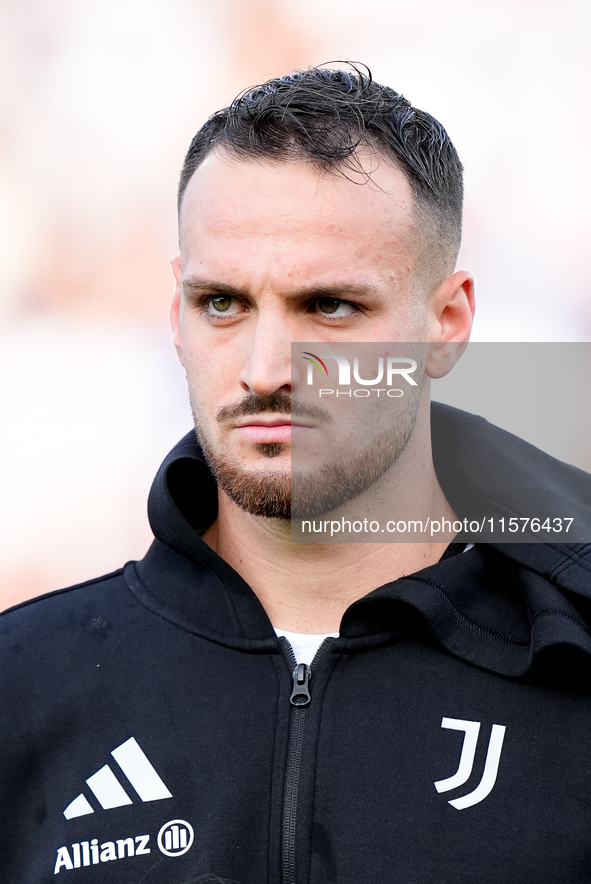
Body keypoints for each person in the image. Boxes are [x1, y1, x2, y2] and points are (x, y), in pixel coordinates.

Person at [2, 66, 591, 884]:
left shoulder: (571, 680)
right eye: (223, 303)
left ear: (446, 324)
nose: (266, 369)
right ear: (176, 313)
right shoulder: (23, 687)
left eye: (329, 307)